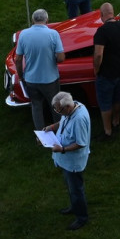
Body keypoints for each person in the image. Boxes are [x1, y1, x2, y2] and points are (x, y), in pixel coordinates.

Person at [46, 90, 91, 230]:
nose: (58, 113)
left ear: (67, 107)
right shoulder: (72, 106)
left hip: (73, 161)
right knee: (71, 187)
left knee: (76, 189)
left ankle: (82, 218)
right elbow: (63, 121)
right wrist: (52, 127)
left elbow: (80, 143)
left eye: (59, 110)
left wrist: (63, 150)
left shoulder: (79, 120)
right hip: (66, 160)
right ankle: (74, 206)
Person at [15, 9, 66, 131]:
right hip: (50, 79)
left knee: (36, 106)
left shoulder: (23, 34)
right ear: (47, 20)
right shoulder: (53, 34)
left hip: (31, 79)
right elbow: (60, 58)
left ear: (33, 20)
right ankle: (59, 131)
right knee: (55, 105)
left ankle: (41, 135)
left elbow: (18, 59)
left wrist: (21, 76)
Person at [91, 2, 120, 138]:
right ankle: (116, 122)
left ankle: (108, 131)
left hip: (106, 73)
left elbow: (98, 54)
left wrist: (96, 68)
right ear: (112, 13)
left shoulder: (102, 31)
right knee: (117, 99)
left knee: (105, 102)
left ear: (101, 15)